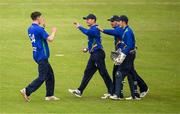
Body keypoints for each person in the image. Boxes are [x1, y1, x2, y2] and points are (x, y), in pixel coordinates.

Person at [68, 14, 113, 98]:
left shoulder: (95, 28)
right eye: (86, 19)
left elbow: (87, 32)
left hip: (98, 54)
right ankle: (79, 90)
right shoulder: (93, 28)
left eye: (88, 19)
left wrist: (79, 26)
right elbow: (94, 42)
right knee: (88, 72)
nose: (86, 21)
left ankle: (112, 91)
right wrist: (87, 49)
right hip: (94, 54)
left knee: (103, 73)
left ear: (93, 20)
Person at [20, 11, 59, 102]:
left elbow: (38, 35)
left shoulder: (30, 28)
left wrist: (43, 27)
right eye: (41, 17)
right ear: (37, 18)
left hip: (36, 54)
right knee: (42, 77)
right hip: (42, 55)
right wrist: (53, 32)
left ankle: (49, 95)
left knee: (50, 75)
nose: (42, 19)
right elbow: (50, 39)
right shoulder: (39, 29)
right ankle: (27, 90)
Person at [110, 15, 144, 100]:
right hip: (129, 54)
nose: (118, 23)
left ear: (123, 22)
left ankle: (117, 95)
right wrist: (119, 51)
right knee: (131, 74)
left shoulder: (128, 31)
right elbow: (124, 44)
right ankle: (135, 95)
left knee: (119, 73)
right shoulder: (125, 30)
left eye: (119, 21)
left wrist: (122, 55)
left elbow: (129, 45)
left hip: (128, 55)